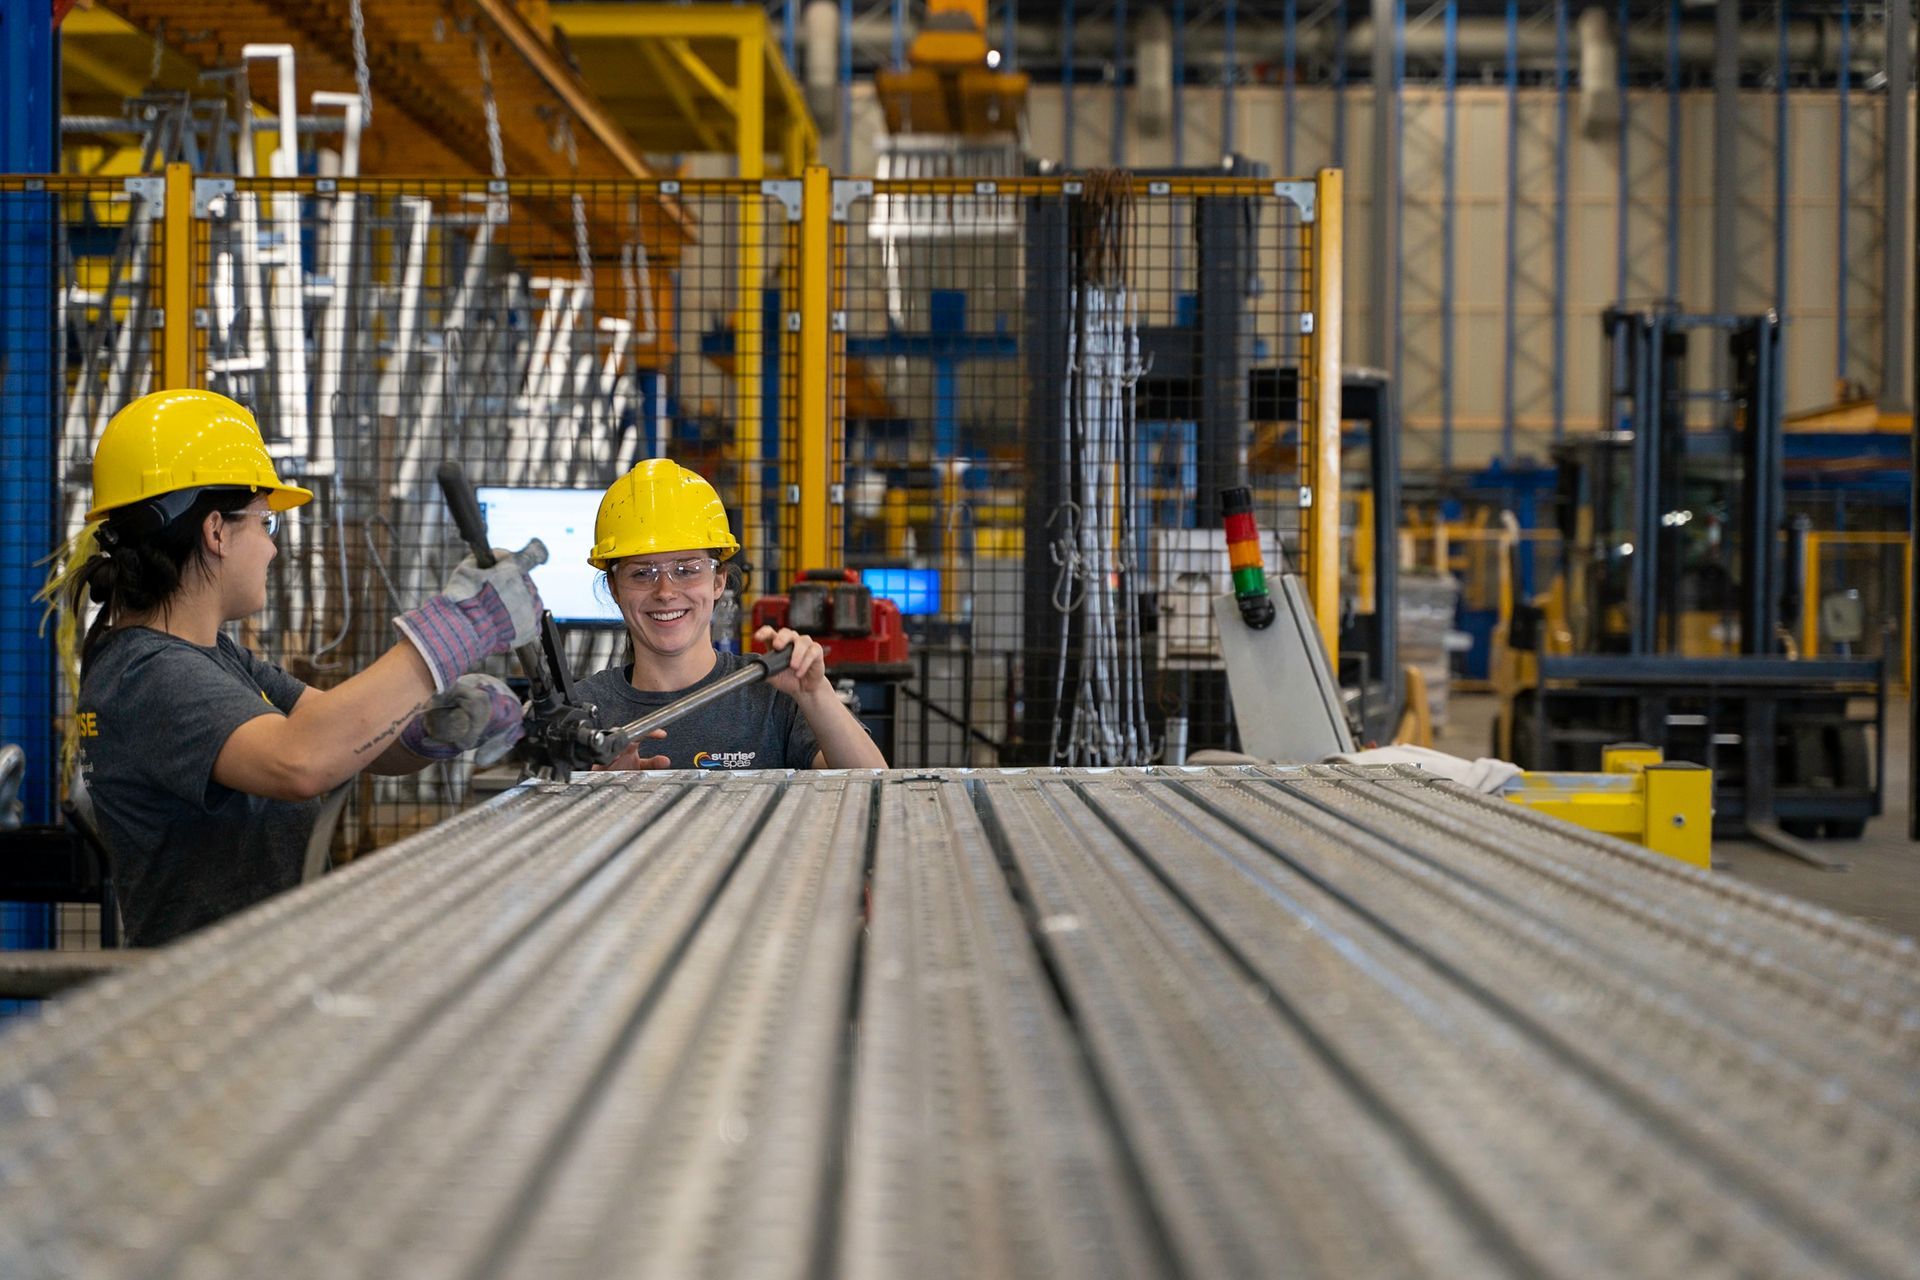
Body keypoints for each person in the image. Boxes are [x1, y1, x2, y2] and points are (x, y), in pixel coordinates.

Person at [40, 389, 541, 945]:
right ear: (215, 532)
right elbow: (301, 762)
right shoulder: (147, 675)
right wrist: (458, 629)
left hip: (262, 977)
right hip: (210, 1003)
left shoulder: (214, 657)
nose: (273, 550)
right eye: (265, 524)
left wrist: (432, 729)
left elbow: (340, 737)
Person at [574, 459, 887, 771]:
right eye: (642, 573)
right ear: (614, 588)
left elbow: (874, 785)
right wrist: (600, 792)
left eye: (686, 570)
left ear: (718, 581)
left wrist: (815, 693)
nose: (665, 592)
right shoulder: (581, 712)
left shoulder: (772, 692)